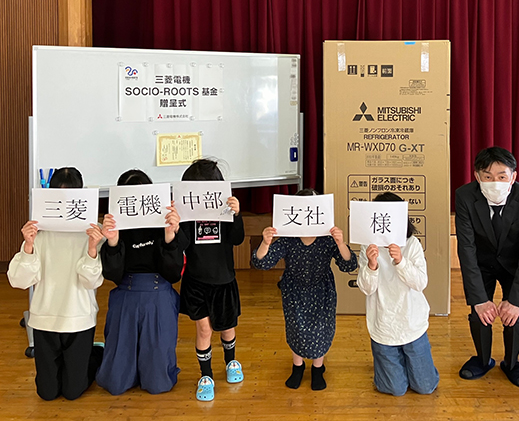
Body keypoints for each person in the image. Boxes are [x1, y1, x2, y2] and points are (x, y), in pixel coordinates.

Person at [8, 167, 105, 400]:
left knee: (73, 392)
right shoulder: (38, 232)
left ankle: (96, 353)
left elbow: (91, 281)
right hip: (45, 318)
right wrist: (28, 245)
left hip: (79, 318)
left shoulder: (93, 232)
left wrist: (92, 249)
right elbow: (19, 280)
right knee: (47, 393)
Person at [251, 188, 358, 391]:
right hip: (294, 290)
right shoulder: (288, 239)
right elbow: (261, 262)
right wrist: (265, 243)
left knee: (321, 328)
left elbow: (349, 264)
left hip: (322, 290)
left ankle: (318, 368)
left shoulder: (327, 239)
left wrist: (340, 243)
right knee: (296, 328)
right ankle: (297, 366)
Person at [455, 146, 519, 388]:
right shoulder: (465, 196)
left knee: (516, 316)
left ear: (513, 177)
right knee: (479, 314)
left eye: (502, 176)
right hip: (481, 263)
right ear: (477, 176)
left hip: (514, 264)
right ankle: (482, 360)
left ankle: (512, 364)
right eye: (487, 176)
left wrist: (517, 300)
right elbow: (466, 249)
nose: (495, 183)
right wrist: (479, 299)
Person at [95, 169, 184, 395]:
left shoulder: (164, 220)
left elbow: (174, 274)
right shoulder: (117, 224)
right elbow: (112, 274)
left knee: (158, 383)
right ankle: (98, 353)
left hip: (159, 294)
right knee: (116, 382)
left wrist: (170, 237)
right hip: (126, 293)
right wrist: (112, 242)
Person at [356, 192, 439, 397]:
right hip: (383, 325)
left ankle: (407, 367)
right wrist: (372, 266)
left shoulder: (411, 244)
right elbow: (366, 288)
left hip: (412, 324)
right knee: (395, 389)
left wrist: (401, 261)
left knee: (425, 387)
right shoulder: (368, 247)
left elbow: (420, 283)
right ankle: (389, 368)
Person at [177, 159, 245, 401]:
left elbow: (237, 239)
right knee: (204, 329)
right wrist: (175, 226)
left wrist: (237, 214)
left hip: (224, 280)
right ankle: (206, 375)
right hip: (196, 282)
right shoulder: (187, 214)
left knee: (227, 327)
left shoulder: (226, 209)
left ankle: (231, 361)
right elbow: (182, 244)